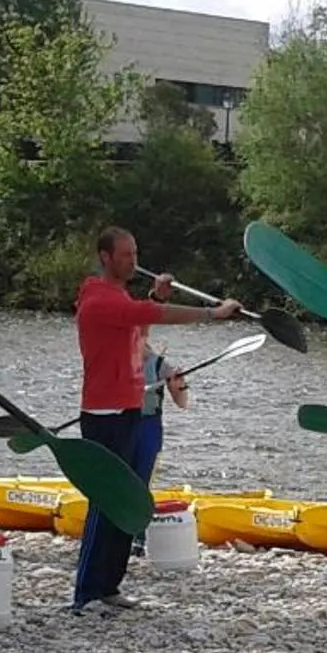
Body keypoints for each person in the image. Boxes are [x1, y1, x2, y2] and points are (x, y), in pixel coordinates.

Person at [71, 230, 238, 613]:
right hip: (104, 415)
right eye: (125, 255)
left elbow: (138, 329)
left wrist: (157, 296)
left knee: (129, 499)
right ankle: (87, 593)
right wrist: (212, 314)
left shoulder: (120, 298)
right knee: (107, 502)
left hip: (130, 409)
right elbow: (152, 315)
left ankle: (109, 586)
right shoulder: (98, 298)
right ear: (105, 257)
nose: (133, 261)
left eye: (135, 253)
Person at [131, 339, 190, 489]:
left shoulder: (160, 365)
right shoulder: (114, 359)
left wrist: (180, 385)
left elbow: (182, 403)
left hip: (148, 426)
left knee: (142, 479)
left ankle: (140, 499)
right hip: (121, 424)